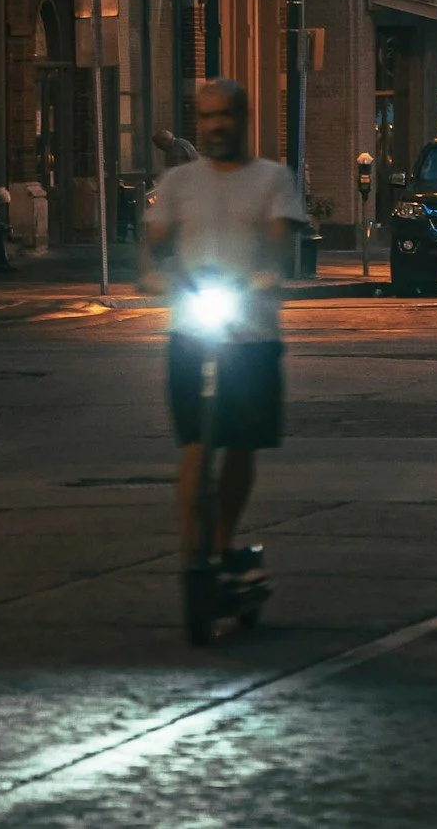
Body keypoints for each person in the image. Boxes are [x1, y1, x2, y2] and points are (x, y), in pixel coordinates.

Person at [143, 78, 304, 603]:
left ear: (243, 118)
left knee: (238, 441)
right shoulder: (178, 182)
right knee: (195, 440)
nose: (215, 126)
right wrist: (153, 275)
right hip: (192, 326)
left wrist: (271, 274)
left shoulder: (272, 180)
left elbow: (280, 246)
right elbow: (153, 246)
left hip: (251, 331)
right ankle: (193, 551)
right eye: (207, 116)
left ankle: (222, 539)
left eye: (225, 116)